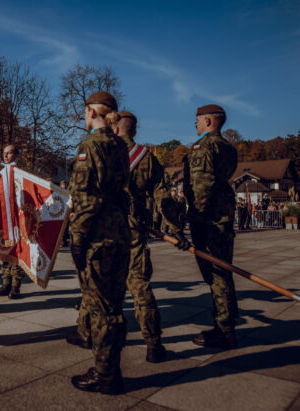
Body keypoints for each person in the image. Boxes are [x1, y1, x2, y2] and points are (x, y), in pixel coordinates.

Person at [110, 111, 190, 363]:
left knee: (105, 289)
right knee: (140, 287)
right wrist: (176, 229)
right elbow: (163, 198)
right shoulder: (148, 160)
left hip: (105, 231)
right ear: (134, 130)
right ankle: (153, 344)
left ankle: (102, 340)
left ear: (115, 128)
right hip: (134, 229)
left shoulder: (102, 153)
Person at [66, 91, 130, 395]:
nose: (83, 116)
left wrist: (76, 240)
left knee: (100, 307)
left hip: (98, 238)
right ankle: (110, 366)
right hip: (120, 236)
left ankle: (106, 376)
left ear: (92, 111)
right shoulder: (120, 145)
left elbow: (85, 199)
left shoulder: (90, 145)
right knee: (114, 305)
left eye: (85, 112)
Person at [183, 104, 238, 349]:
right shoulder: (228, 148)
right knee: (224, 270)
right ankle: (229, 319)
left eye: (196, 120)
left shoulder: (203, 147)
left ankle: (224, 329)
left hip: (209, 221)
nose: (194, 124)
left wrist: (194, 217)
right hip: (224, 216)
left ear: (207, 121)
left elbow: (201, 187)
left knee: (216, 274)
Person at [0, 144, 26, 300]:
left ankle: (16, 286)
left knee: (17, 253)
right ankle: (5, 284)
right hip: (2, 219)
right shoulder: (0, 174)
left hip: (17, 221)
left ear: (16, 155)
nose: (5, 156)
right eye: (4, 153)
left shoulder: (21, 174)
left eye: (9, 153)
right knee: (5, 252)